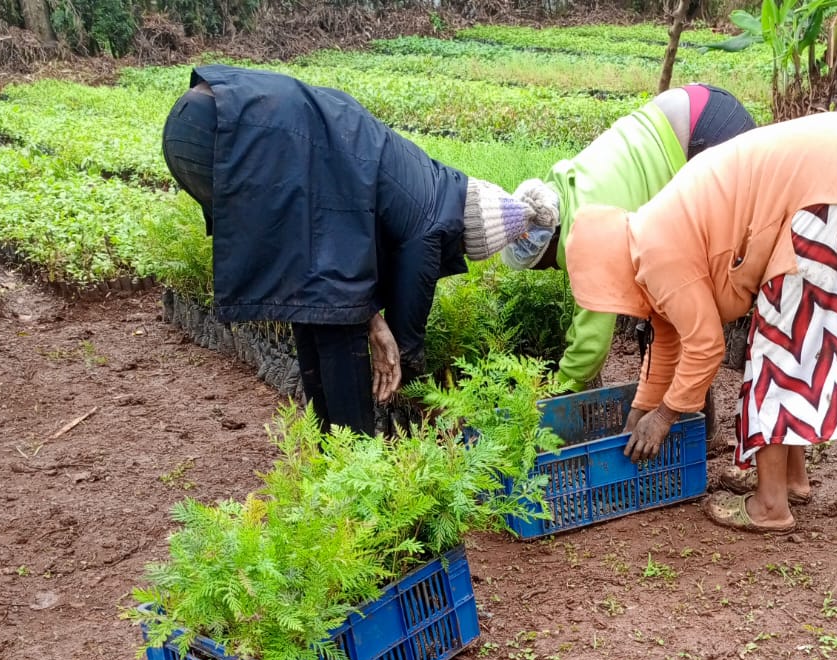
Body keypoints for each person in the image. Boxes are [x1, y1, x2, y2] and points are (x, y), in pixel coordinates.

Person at [564, 113, 837, 534]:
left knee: (778, 347)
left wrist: (662, 418)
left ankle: (770, 505)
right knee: (796, 341)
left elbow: (706, 346)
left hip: (833, 176)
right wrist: (639, 412)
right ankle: (791, 479)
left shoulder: (656, 254)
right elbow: (668, 341)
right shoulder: (649, 235)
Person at [161, 66, 559, 434]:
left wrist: (368, 314)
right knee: (339, 316)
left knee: (317, 300)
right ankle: (353, 459)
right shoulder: (434, 225)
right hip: (225, 136)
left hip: (209, 112)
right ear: (468, 231)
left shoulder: (426, 178)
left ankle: (329, 452)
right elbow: (406, 340)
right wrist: (415, 385)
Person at [499, 85, 755, 394]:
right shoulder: (565, 187)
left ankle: (690, 408)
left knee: (697, 290)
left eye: (547, 265)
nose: (556, 270)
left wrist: (554, 393)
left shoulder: (589, 234)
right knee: (669, 304)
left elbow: (591, 343)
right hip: (694, 106)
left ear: (548, 244)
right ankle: (682, 401)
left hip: (705, 140)